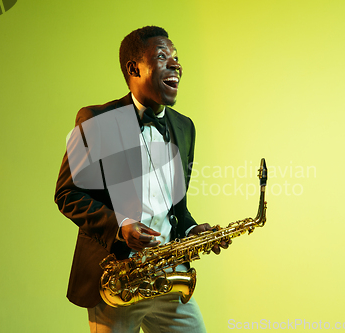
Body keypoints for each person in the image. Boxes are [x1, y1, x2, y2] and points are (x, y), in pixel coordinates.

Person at [54, 26, 227, 333]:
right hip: (118, 279)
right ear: (134, 68)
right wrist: (120, 227)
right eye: (162, 57)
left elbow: (176, 206)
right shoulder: (96, 121)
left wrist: (190, 228)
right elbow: (68, 194)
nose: (176, 64)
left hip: (169, 277)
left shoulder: (184, 127)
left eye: (176, 57)